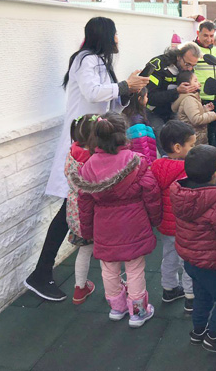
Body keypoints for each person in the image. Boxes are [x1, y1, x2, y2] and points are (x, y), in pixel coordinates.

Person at [24, 17, 149, 302]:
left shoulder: (99, 62)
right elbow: (94, 93)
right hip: (81, 143)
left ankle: (56, 276)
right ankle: (41, 274)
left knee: (76, 207)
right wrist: (122, 85)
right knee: (72, 207)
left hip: (93, 142)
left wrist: (129, 89)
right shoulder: (85, 60)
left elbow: (111, 102)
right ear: (105, 34)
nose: (118, 39)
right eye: (115, 34)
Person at [73, 112, 162, 328]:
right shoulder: (136, 161)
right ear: (123, 135)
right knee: (134, 269)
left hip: (104, 227)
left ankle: (117, 307)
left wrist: (87, 231)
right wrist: (155, 219)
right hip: (134, 225)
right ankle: (138, 312)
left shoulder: (88, 167)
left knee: (109, 268)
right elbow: (151, 192)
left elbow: (84, 204)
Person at [170, 145, 216, 355]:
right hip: (213, 262)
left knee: (202, 294)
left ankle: (198, 330)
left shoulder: (180, 192)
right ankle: (214, 337)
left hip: (191, 259)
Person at [151, 121, 197, 312]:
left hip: (166, 225)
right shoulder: (190, 169)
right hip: (186, 225)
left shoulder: (156, 166)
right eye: (192, 145)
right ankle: (191, 296)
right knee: (190, 260)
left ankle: (169, 288)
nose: (194, 149)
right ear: (178, 148)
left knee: (169, 255)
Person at [145, 42, 202, 156]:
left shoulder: (188, 68)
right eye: (187, 64)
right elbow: (150, 97)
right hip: (153, 110)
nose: (190, 69)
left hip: (173, 110)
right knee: (165, 145)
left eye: (193, 66)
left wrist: (194, 88)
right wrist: (176, 91)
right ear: (178, 56)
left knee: (181, 141)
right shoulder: (158, 66)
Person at [64, 114, 97, 305]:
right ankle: (120, 286)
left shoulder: (71, 152)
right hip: (94, 211)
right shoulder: (95, 158)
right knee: (110, 254)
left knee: (84, 250)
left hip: (75, 210)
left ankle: (79, 288)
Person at [193, 20, 216, 153]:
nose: (209, 39)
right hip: (200, 98)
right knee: (203, 131)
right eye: (205, 35)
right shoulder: (193, 49)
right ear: (198, 33)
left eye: (212, 36)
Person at [171, 71, 216, 145]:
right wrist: (212, 114)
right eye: (195, 81)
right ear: (186, 85)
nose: (199, 84)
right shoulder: (189, 99)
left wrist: (204, 109)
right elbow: (196, 119)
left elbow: (192, 113)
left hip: (196, 140)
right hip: (194, 142)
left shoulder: (191, 98)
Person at [123, 87, 157, 165]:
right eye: (146, 96)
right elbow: (141, 146)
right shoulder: (137, 120)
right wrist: (148, 165)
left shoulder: (129, 116)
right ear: (139, 99)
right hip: (145, 164)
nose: (147, 99)